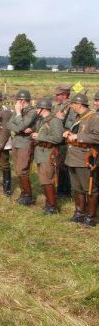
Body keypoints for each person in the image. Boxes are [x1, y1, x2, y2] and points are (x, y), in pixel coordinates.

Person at [63, 93, 99, 226]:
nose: (71, 106)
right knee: (77, 188)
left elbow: (97, 136)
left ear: (79, 104)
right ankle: (79, 213)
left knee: (89, 189)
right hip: (73, 157)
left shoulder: (94, 118)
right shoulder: (78, 117)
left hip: (85, 158)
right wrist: (69, 133)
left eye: (73, 104)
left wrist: (78, 137)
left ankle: (91, 217)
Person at [31, 98, 64, 214]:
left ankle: (52, 206)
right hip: (41, 153)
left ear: (44, 109)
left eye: (38, 108)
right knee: (44, 180)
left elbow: (58, 138)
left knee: (48, 180)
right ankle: (49, 203)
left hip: (49, 154)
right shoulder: (42, 120)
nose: (36, 110)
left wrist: (39, 136)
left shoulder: (54, 121)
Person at [7, 90, 38, 205]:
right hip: (17, 142)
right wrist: (20, 127)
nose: (16, 103)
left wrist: (18, 115)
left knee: (22, 170)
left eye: (18, 100)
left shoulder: (32, 112)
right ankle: (23, 193)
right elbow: (9, 124)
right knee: (18, 170)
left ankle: (28, 195)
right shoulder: (19, 111)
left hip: (25, 143)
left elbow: (20, 126)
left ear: (22, 101)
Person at [53, 84, 74, 198]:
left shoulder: (72, 107)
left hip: (66, 141)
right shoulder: (59, 106)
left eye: (58, 95)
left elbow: (76, 124)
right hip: (58, 139)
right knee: (59, 165)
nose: (56, 96)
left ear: (65, 95)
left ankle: (65, 191)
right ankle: (61, 189)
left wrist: (62, 119)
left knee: (64, 165)